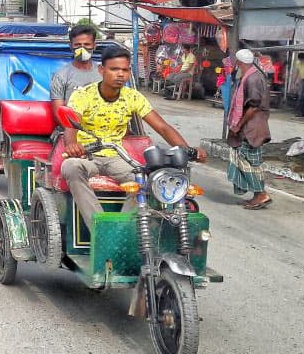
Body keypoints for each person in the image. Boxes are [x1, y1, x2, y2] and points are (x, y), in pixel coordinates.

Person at [61, 46, 207, 230]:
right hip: (87, 156)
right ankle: (100, 229)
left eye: (124, 70)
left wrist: (188, 150)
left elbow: (161, 127)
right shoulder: (83, 95)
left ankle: (122, 231)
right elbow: (70, 125)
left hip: (117, 156)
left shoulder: (132, 97)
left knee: (146, 180)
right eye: (114, 69)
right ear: (101, 70)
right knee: (70, 167)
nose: (120, 74)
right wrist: (73, 145)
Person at [226, 48, 272, 209]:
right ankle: (257, 194)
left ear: (239, 63)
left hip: (251, 128)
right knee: (248, 161)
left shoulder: (252, 78)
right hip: (250, 126)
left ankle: (261, 194)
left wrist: (238, 125)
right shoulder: (251, 75)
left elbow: (253, 107)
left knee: (247, 161)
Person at [50, 24, 101, 125]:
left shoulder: (104, 73)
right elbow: (58, 114)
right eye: (77, 45)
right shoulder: (60, 76)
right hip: (71, 130)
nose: (82, 49)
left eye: (87, 44)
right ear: (71, 46)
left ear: (94, 46)